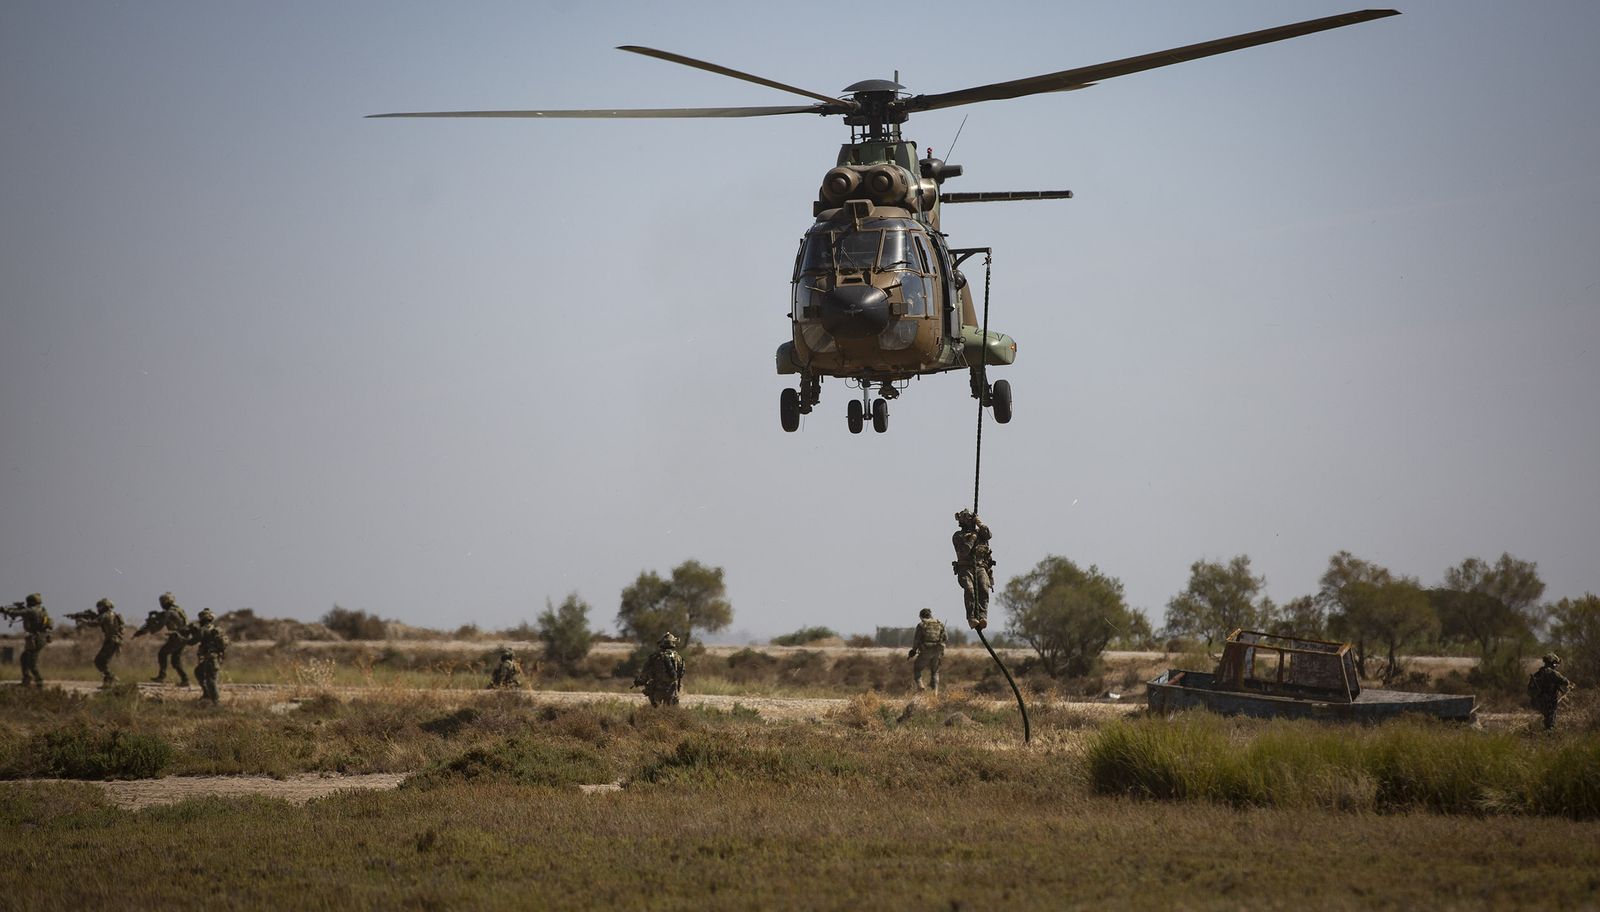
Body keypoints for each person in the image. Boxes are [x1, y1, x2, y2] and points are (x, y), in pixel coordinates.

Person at [134, 592, 191, 686]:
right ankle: (185, 680)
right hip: (183, 637)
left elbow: (159, 625)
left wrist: (145, 631)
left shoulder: (169, 612)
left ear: (165, 602)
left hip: (177, 637)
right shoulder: (178, 610)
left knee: (162, 654)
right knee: (175, 660)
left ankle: (162, 676)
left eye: (162, 602)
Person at [951, 509, 995, 630]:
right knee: (969, 590)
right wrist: (973, 537)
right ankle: (971, 618)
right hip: (965, 568)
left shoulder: (981, 534)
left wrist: (980, 523)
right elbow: (965, 550)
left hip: (980, 567)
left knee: (984, 588)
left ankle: (982, 616)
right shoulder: (958, 536)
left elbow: (988, 535)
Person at [2, 594, 53, 687]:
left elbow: (16, 613)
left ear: (31, 602)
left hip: (36, 638)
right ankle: (26, 680)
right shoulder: (41, 610)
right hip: (40, 637)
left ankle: (39, 683)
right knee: (24, 658)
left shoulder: (32, 610)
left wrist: (6, 610)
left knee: (32, 663)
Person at [182, 609, 227, 704]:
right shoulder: (215, 628)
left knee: (211, 679)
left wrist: (182, 639)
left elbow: (193, 641)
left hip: (210, 657)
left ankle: (216, 702)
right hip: (213, 656)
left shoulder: (203, 630)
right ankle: (207, 694)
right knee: (199, 671)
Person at [634, 632, 685, 707]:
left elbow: (645, 673)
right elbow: (681, 673)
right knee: (671, 713)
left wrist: (639, 681)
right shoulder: (678, 658)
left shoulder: (654, 657)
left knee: (656, 712)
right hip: (672, 690)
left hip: (657, 691)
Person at [1528, 653, 1574, 732]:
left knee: (1545, 720)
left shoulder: (1538, 673)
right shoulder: (1552, 673)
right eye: (1556, 663)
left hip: (1539, 701)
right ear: (1553, 663)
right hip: (1549, 702)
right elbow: (1565, 681)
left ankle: (1539, 733)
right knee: (1550, 724)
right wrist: (1570, 685)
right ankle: (1548, 736)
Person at [908, 608, 946, 693]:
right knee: (935, 672)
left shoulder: (921, 624)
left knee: (917, 669)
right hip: (938, 651)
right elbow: (946, 637)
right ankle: (935, 693)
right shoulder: (940, 624)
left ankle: (920, 686)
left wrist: (913, 651)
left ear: (921, 616)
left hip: (925, 650)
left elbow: (917, 640)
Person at [90, 598, 125, 686]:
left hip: (111, 641)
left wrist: (84, 622)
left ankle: (111, 677)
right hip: (115, 641)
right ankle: (108, 682)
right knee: (103, 662)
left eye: (100, 607)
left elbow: (94, 623)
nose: (98, 609)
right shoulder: (115, 615)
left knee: (98, 661)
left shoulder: (105, 615)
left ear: (105, 606)